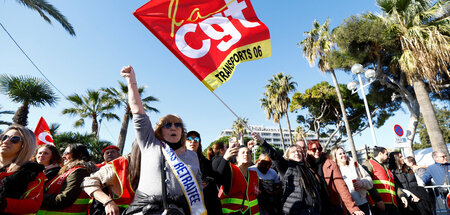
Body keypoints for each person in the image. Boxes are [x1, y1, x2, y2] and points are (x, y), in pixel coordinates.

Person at [121, 65, 204, 215]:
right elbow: (137, 111)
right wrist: (131, 82)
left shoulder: (192, 155)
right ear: (160, 130)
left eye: (177, 125)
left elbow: (197, 188)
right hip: (145, 210)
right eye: (168, 124)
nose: (173, 127)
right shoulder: (150, 143)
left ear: (182, 131)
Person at [252, 132, 321, 215]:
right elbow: (274, 155)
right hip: (294, 211)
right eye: (293, 152)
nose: (297, 153)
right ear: (288, 155)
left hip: (312, 211)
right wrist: (262, 142)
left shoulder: (307, 170)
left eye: (299, 151)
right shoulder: (287, 166)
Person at [82, 141, 141, 215]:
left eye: (113, 152)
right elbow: (88, 182)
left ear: (119, 154)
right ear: (103, 156)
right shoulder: (99, 167)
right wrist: (107, 202)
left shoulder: (127, 163)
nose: (110, 154)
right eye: (107, 153)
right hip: (103, 207)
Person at [306, 140, 364, 215]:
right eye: (314, 149)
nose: (317, 151)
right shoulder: (304, 166)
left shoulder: (330, 164)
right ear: (308, 151)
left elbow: (341, 186)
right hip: (314, 207)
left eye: (319, 149)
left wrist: (353, 208)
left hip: (331, 206)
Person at [38, 143, 97, 214]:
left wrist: (38, 197)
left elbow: (65, 199)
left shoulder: (79, 171)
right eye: (63, 153)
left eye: (67, 153)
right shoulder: (68, 171)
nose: (63, 156)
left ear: (79, 154)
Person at [0, 124, 46, 214]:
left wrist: (3, 203)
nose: (5, 141)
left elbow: (33, 205)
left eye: (14, 139)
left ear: (24, 145)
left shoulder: (33, 172)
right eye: (3, 137)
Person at [212, 140, 259, 215]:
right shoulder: (230, 170)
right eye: (243, 153)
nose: (246, 154)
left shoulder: (254, 175)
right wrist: (225, 158)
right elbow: (217, 179)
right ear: (236, 158)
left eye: (248, 152)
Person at [362, 147, 407, 215]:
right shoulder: (368, 164)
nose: (388, 157)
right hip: (379, 205)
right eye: (386, 154)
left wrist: (402, 195)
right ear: (380, 153)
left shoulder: (386, 168)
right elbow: (368, 184)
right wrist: (378, 200)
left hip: (392, 204)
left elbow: (393, 184)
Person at [186, 130, 222, 215]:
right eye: (189, 139)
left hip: (207, 201)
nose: (193, 141)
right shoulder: (177, 160)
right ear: (184, 142)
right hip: (187, 204)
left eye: (196, 139)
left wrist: (207, 182)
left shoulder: (206, 162)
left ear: (199, 143)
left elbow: (214, 177)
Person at [329, 146, 373, 215]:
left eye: (344, 153)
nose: (343, 155)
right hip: (347, 207)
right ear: (335, 157)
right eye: (340, 154)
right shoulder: (334, 171)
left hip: (363, 203)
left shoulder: (355, 165)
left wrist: (362, 183)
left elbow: (369, 180)